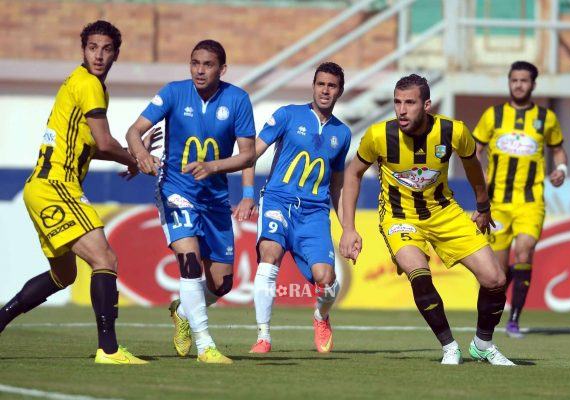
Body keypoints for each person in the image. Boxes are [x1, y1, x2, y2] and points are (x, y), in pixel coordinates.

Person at [0, 20, 154, 364]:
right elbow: (104, 141)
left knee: (64, 275)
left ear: (116, 53)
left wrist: (130, 158)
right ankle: (110, 350)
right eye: (92, 48)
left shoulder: (81, 82)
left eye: (106, 49)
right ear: (83, 49)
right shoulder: (89, 85)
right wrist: (138, 156)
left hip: (40, 187)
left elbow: (91, 147)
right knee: (105, 260)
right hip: (57, 185)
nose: (99, 55)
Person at [340, 74, 515, 366]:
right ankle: (449, 347)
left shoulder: (453, 131)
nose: (401, 110)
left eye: (410, 102)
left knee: (495, 279)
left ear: (427, 105)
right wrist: (348, 228)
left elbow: (473, 165)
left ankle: (483, 344)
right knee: (419, 274)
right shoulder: (378, 136)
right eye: (397, 102)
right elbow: (352, 173)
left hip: (445, 212)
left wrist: (483, 205)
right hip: (400, 216)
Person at [126, 40, 256, 364]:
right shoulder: (172, 92)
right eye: (195, 63)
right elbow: (134, 131)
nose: (199, 70)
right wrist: (141, 154)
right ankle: (205, 346)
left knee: (222, 283)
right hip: (175, 190)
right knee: (190, 265)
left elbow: (248, 154)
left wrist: (214, 168)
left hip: (215, 199)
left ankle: (183, 312)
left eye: (208, 64)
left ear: (222, 69)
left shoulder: (238, 100)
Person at [242, 62, 350, 354]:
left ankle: (321, 317)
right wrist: (248, 194)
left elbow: (337, 185)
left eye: (332, 86)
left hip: (314, 213)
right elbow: (250, 153)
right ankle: (263, 336)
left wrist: (348, 229)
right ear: (313, 86)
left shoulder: (342, 134)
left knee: (326, 280)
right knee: (269, 255)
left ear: (340, 91)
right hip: (278, 201)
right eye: (321, 84)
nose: (325, 90)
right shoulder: (288, 115)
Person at [473, 61, 568, 338]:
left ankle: (514, 320)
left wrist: (560, 170)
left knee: (525, 249)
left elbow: (559, 151)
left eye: (524, 80)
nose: (518, 85)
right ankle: (498, 308)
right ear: (509, 82)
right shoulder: (493, 116)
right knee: (499, 273)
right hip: (497, 205)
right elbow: (474, 150)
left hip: (530, 201)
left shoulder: (546, 118)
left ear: (533, 84)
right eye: (514, 80)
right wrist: (479, 178)